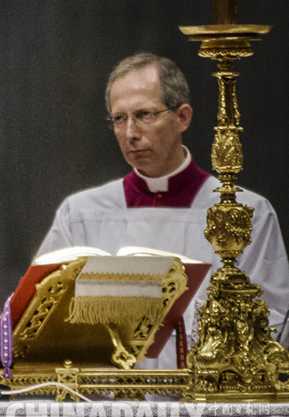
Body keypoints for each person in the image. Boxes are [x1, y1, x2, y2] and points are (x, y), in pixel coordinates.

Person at [36, 53, 289, 369]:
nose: (130, 132)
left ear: (183, 117)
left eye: (144, 114)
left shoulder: (246, 212)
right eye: (119, 118)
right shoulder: (81, 214)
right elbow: (40, 317)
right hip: (104, 410)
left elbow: (274, 323)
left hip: (208, 407)